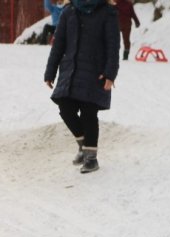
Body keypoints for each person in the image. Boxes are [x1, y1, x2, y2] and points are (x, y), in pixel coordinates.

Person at [44, 0, 120, 174]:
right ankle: (84, 146)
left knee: (88, 113)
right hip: (70, 70)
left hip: (96, 72)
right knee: (66, 109)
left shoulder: (107, 12)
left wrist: (110, 74)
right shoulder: (68, 11)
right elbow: (58, 45)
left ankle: (91, 158)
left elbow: (113, 45)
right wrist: (50, 72)